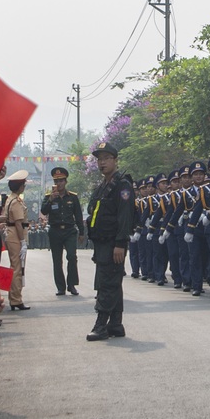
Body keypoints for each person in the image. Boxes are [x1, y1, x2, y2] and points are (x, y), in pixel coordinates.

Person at [85, 141, 136, 340]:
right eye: (99, 159)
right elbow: (92, 209)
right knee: (112, 281)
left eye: (106, 158)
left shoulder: (122, 186)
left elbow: (125, 216)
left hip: (113, 242)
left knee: (107, 283)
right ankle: (116, 324)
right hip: (101, 242)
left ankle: (101, 325)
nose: (102, 162)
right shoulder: (103, 187)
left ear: (115, 160)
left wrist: (120, 244)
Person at [42, 165, 86, 296]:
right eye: (56, 181)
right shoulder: (49, 196)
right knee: (57, 260)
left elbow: (78, 215)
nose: (58, 184)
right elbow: (43, 211)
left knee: (72, 256)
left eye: (61, 181)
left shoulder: (72, 197)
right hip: (55, 231)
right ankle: (60, 287)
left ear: (65, 182)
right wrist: (50, 200)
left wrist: (82, 232)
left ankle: (71, 284)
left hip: (69, 231)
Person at [1, 168, 32, 309]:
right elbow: (19, 223)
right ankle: (15, 299)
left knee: (15, 267)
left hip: (11, 234)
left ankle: (14, 298)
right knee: (17, 268)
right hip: (15, 235)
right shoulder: (15, 202)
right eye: (23, 184)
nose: (24, 187)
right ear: (20, 186)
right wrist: (22, 241)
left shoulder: (11, 199)